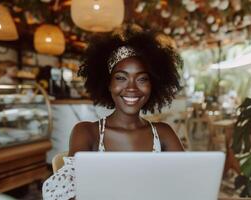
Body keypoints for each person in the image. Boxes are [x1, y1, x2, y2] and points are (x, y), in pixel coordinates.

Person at [42, 30, 184, 200]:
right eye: (121, 78)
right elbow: (73, 193)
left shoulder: (164, 133)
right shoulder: (87, 132)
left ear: (152, 86)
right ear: (108, 84)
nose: (131, 87)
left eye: (142, 79)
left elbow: (186, 184)